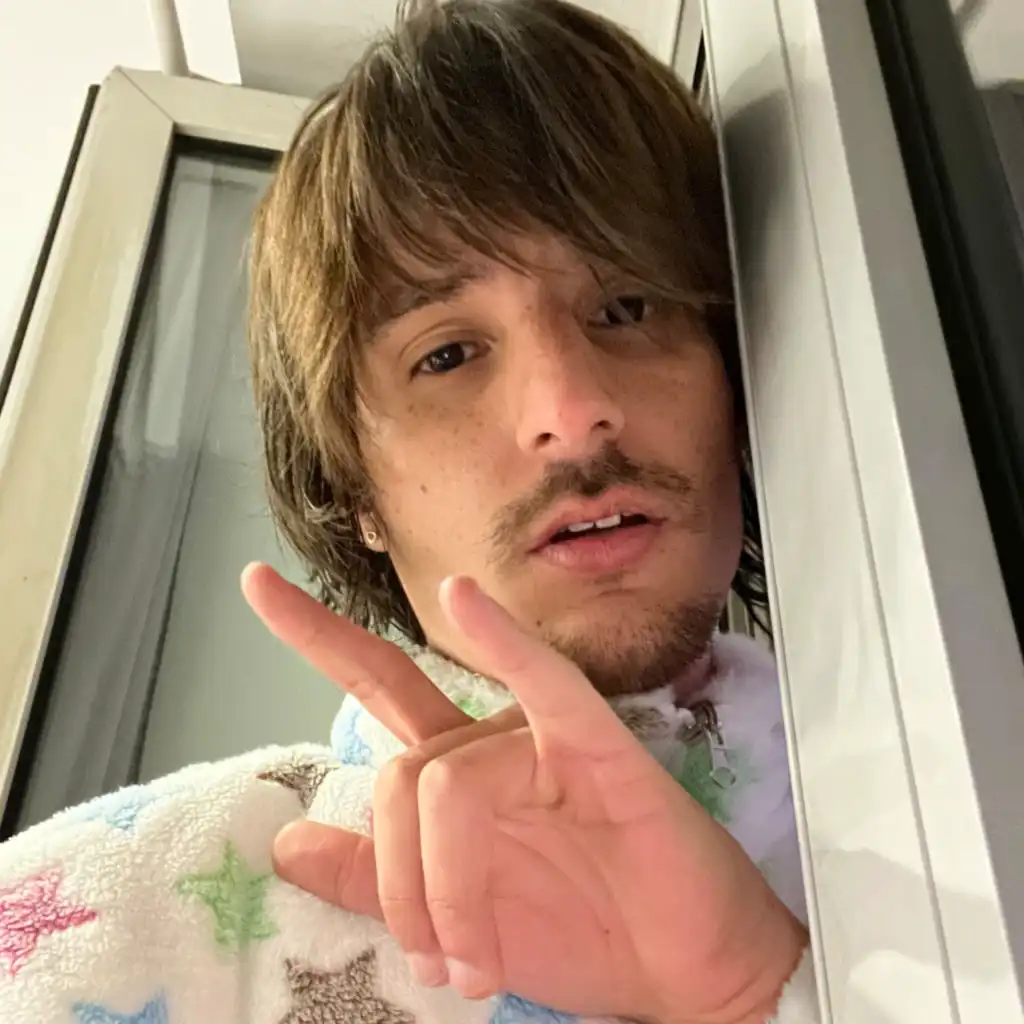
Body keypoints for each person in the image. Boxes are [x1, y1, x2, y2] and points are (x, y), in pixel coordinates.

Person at [0, 1, 821, 1022]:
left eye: (627, 306)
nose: (570, 408)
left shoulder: (940, 762)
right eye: (447, 354)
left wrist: (761, 990)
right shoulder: (132, 914)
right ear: (358, 498)